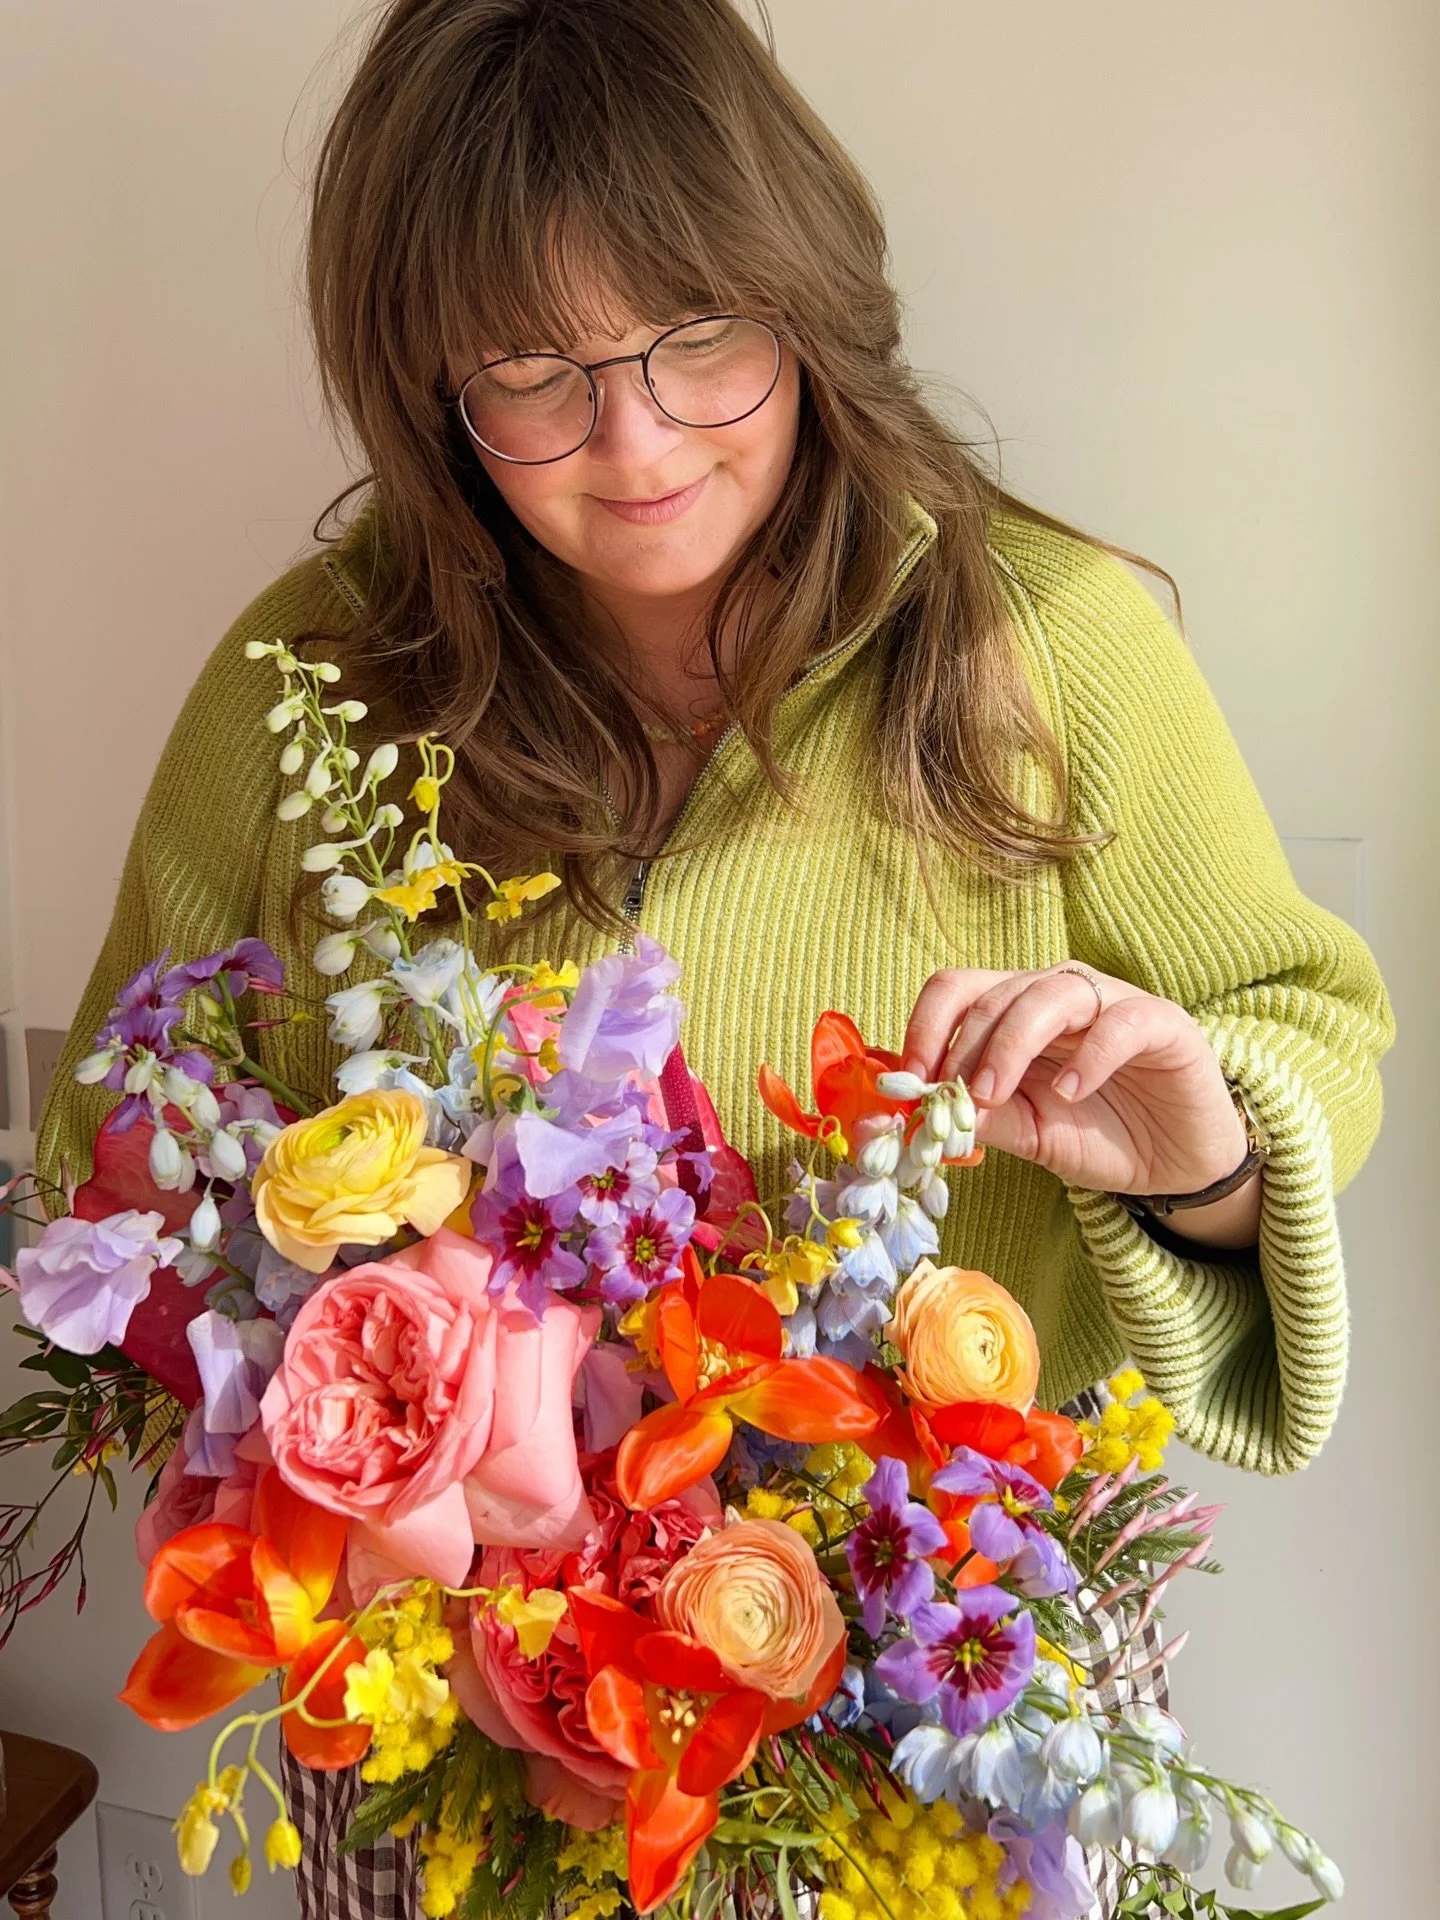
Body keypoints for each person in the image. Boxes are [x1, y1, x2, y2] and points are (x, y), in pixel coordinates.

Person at [36, 2, 1394, 1916]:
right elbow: (119, 1109)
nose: (637, 438)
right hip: (471, 1741)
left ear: (804, 293)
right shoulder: (313, 686)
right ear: (424, 381)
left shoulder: (1050, 647)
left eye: (700, 336)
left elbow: (1305, 1027)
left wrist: (1208, 1153)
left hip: (947, 1708)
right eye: (533, 371)